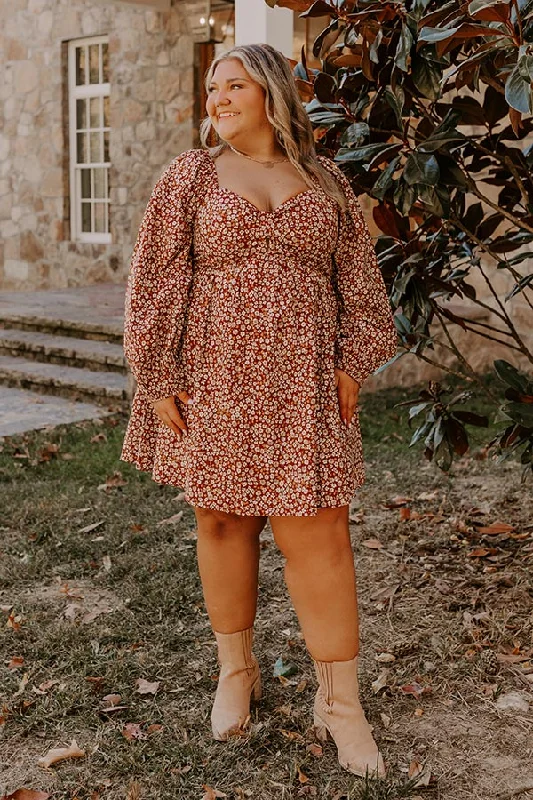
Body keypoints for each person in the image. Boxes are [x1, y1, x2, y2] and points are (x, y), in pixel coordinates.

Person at [120, 43, 396, 778]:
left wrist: (350, 362)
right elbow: (153, 280)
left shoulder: (327, 182)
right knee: (221, 517)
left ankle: (340, 703)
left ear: (272, 94)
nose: (218, 97)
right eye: (212, 86)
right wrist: (157, 374)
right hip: (213, 374)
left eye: (234, 84)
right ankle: (235, 670)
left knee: (319, 530)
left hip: (302, 380)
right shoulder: (189, 176)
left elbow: (362, 291)